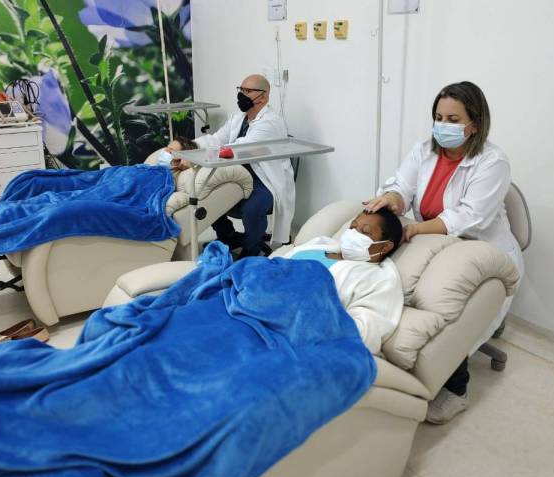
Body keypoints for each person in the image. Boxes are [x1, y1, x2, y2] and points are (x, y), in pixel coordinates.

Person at [363, 81, 523, 423]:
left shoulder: (492, 161)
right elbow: (402, 186)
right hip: (433, 243)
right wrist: (393, 198)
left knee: (446, 308)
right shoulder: (425, 151)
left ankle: (456, 389)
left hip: (479, 250)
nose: (443, 125)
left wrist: (416, 229)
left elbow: (469, 216)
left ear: (474, 124)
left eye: (453, 119)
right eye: (438, 117)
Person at [190, 74, 295, 258]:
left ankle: (251, 250)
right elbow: (216, 139)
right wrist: (189, 146)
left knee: (251, 208)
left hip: (264, 180)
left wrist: (208, 152)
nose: (242, 95)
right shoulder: (238, 117)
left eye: (248, 91)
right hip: (239, 175)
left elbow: (238, 148)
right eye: (241, 90)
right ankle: (227, 235)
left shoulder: (270, 122)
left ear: (263, 96)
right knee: (208, 195)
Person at [283, 206, 404, 353]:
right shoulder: (320, 244)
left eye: (365, 232)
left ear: (385, 247)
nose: (353, 234)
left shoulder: (377, 280)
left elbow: (363, 334)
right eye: (353, 227)